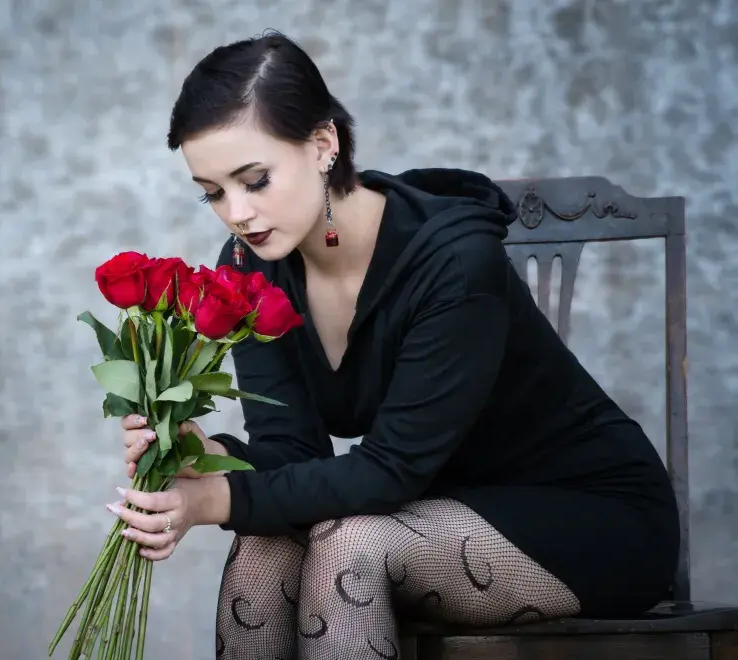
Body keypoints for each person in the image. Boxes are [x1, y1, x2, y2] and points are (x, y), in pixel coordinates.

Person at [103, 30, 681, 660]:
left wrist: (216, 500)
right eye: (214, 192)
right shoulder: (252, 266)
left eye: (255, 179)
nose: (237, 213)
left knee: (347, 545)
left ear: (324, 144)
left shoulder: (455, 260)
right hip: (425, 505)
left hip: (586, 513)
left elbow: (388, 471)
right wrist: (209, 455)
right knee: (266, 546)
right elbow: (291, 450)